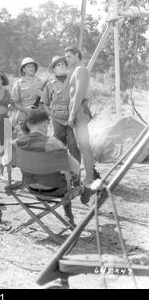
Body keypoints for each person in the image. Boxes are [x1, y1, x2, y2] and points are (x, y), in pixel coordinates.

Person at [8, 109, 81, 226]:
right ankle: (69, 214)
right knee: (70, 175)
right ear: (43, 124)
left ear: (28, 124)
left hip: (30, 188)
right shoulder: (54, 143)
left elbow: (9, 164)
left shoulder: (15, 144)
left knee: (64, 173)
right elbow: (76, 167)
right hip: (55, 190)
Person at [64, 46, 100, 203]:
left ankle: (90, 181)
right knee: (82, 145)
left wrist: (72, 113)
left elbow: (79, 92)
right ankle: (91, 178)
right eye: (66, 57)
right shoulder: (78, 70)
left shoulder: (80, 69)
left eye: (69, 56)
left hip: (79, 110)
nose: (67, 59)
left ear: (78, 55)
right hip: (78, 110)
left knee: (84, 146)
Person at [41, 55, 81, 163]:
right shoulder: (50, 84)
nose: (61, 66)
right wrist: (51, 114)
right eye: (58, 65)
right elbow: (44, 102)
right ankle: (60, 172)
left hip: (72, 118)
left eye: (62, 64)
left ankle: (75, 174)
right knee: (58, 144)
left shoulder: (73, 80)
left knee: (73, 145)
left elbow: (79, 97)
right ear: (54, 69)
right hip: (57, 119)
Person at [11, 57, 44, 129]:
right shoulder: (18, 84)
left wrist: (43, 95)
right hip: (24, 116)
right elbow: (15, 102)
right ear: (24, 69)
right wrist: (27, 110)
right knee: (26, 139)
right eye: (28, 66)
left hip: (39, 116)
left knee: (40, 139)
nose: (31, 68)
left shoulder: (41, 82)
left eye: (32, 66)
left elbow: (49, 100)